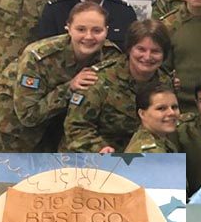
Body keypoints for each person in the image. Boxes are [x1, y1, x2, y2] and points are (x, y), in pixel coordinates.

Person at [0, 2, 122, 152]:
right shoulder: (39, 56)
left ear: (106, 31)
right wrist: (69, 88)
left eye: (97, 30)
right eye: (81, 29)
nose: (89, 36)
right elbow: (28, 115)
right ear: (68, 28)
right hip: (15, 130)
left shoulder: (111, 56)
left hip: (59, 128)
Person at [63, 19, 175, 153]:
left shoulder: (165, 82)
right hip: (94, 159)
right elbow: (76, 127)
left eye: (155, 51)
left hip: (141, 157)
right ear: (129, 49)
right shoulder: (98, 79)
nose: (147, 56)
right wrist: (100, 149)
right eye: (141, 49)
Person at [124, 83, 181, 153]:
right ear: (142, 114)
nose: (172, 112)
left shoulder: (159, 140)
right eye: (161, 108)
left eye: (174, 107)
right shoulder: (148, 152)